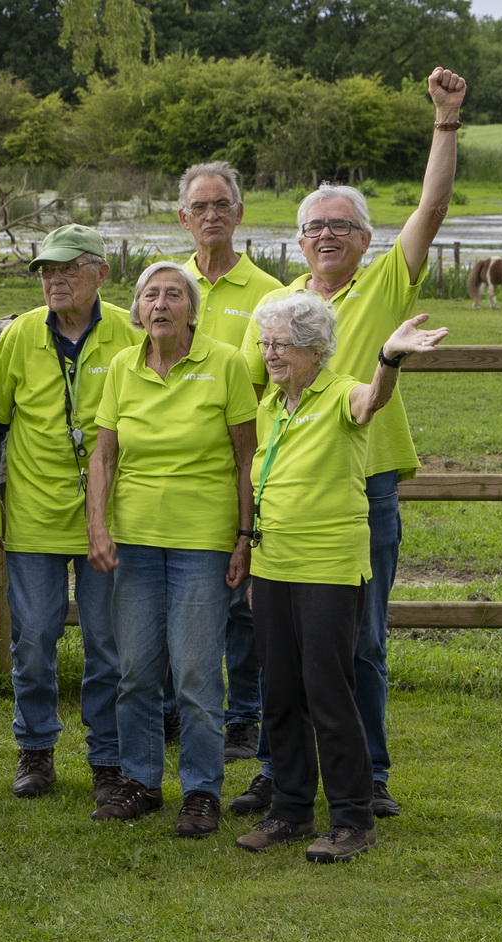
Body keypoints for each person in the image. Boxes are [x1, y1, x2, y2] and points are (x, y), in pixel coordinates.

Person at [231, 67, 468, 820]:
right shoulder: (277, 307)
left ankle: (371, 776)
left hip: (365, 488)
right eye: (314, 226)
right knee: (285, 652)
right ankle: (281, 774)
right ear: (298, 240)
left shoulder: (388, 283)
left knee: (359, 644)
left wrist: (445, 122)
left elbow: (431, 205)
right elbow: (244, 393)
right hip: (291, 491)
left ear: (366, 239)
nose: (326, 234)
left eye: (341, 225)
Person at [235, 296, 445, 863]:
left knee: (327, 690)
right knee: (278, 692)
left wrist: (389, 358)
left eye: (279, 343)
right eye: (265, 343)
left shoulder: (341, 393)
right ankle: (291, 810)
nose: (269, 353)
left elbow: (372, 401)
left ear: (313, 348)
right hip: (274, 564)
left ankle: (353, 819)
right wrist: (253, 559)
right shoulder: (272, 406)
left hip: (328, 566)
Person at [85, 262, 256, 837]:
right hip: (133, 543)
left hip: (202, 546)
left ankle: (202, 791)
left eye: (173, 295)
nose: (160, 304)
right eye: (151, 295)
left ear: (191, 308)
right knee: (134, 670)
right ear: (137, 308)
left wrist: (243, 538)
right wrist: (98, 526)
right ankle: (139, 783)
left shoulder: (226, 364)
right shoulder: (121, 370)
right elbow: (103, 456)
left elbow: (245, 460)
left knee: (196, 673)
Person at [0, 223, 143, 804]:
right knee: (33, 640)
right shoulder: (21, 335)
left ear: (101, 273)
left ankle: (106, 755)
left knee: (108, 643)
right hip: (33, 516)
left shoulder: (132, 331)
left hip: (111, 518)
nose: (54, 280)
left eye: (67, 268)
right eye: (46, 271)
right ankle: (35, 750)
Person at [177, 160, 284, 762]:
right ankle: (177, 707)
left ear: (240, 213)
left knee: (243, 600)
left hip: (243, 467)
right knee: (179, 594)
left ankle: (243, 717)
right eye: (200, 207)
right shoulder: (164, 284)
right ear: (183, 217)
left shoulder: (269, 292)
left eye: (222, 205)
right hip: (179, 474)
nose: (211, 216)